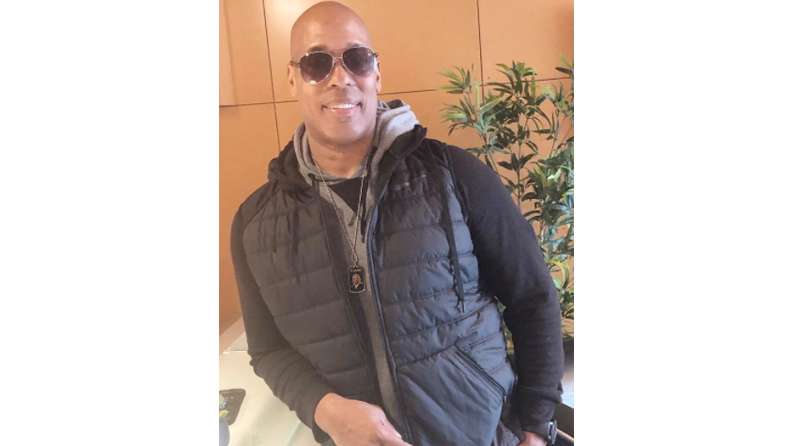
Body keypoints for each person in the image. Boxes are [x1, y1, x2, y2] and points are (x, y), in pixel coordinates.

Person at [230, 2, 564, 445]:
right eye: (317, 63)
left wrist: (536, 427)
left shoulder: (455, 176)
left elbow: (532, 297)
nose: (340, 77)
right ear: (292, 78)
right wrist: (324, 409)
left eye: (356, 58)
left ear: (377, 72)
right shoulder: (255, 225)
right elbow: (269, 349)